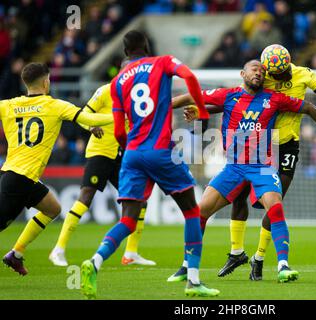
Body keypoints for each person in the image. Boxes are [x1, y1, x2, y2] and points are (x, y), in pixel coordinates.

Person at [169, 59, 316, 283]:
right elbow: (193, 95)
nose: (260, 73)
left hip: (261, 167)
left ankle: (283, 266)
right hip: (233, 168)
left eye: (263, 71)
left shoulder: (274, 99)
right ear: (242, 73)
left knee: (275, 207)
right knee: (199, 211)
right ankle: (187, 266)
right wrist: (164, 106)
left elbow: (309, 108)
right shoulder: (228, 95)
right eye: (255, 69)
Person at [79, 30, 219, 299]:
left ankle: (95, 261)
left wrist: (131, 146)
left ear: (124, 52)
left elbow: (119, 130)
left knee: (129, 220)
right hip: (160, 150)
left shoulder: (118, 81)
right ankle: (193, 281)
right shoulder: (162, 61)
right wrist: (201, 110)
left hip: (132, 152)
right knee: (192, 212)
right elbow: (189, 76)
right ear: (146, 45)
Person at [0, 62, 113, 275]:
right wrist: (123, 116)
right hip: (19, 180)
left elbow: (88, 122)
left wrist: (90, 125)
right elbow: (89, 117)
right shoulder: (56, 105)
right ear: (45, 81)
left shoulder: (9, 105)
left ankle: (16, 254)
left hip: (18, 175)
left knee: (53, 208)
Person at [49, 81, 155, 267]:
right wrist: (90, 127)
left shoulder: (138, 94)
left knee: (138, 201)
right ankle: (58, 249)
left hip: (122, 154)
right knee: (86, 197)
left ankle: (131, 253)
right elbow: (83, 114)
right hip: (100, 152)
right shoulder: (105, 91)